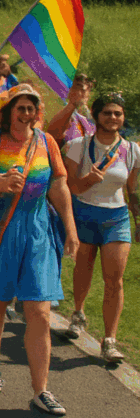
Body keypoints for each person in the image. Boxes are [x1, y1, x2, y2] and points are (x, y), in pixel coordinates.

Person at [0, 85, 78, 416]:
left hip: (38, 232)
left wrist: (70, 230)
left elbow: (59, 185)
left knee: (40, 310)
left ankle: (41, 390)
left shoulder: (46, 142)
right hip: (0, 229)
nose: (27, 114)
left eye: (32, 108)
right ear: (10, 110)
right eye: (21, 108)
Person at [62, 92, 139, 363]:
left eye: (118, 113)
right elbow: (70, 187)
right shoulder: (77, 146)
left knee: (114, 279)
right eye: (107, 113)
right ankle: (78, 313)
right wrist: (88, 180)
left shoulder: (132, 150)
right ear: (96, 116)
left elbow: (132, 189)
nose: (113, 118)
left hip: (116, 218)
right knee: (84, 270)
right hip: (84, 212)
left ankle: (109, 340)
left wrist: (137, 220)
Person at [47, 73, 96, 147]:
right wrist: (72, 104)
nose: (80, 93)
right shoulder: (58, 107)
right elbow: (52, 134)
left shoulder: (91, 120)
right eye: (76, 87)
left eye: (85, 90)